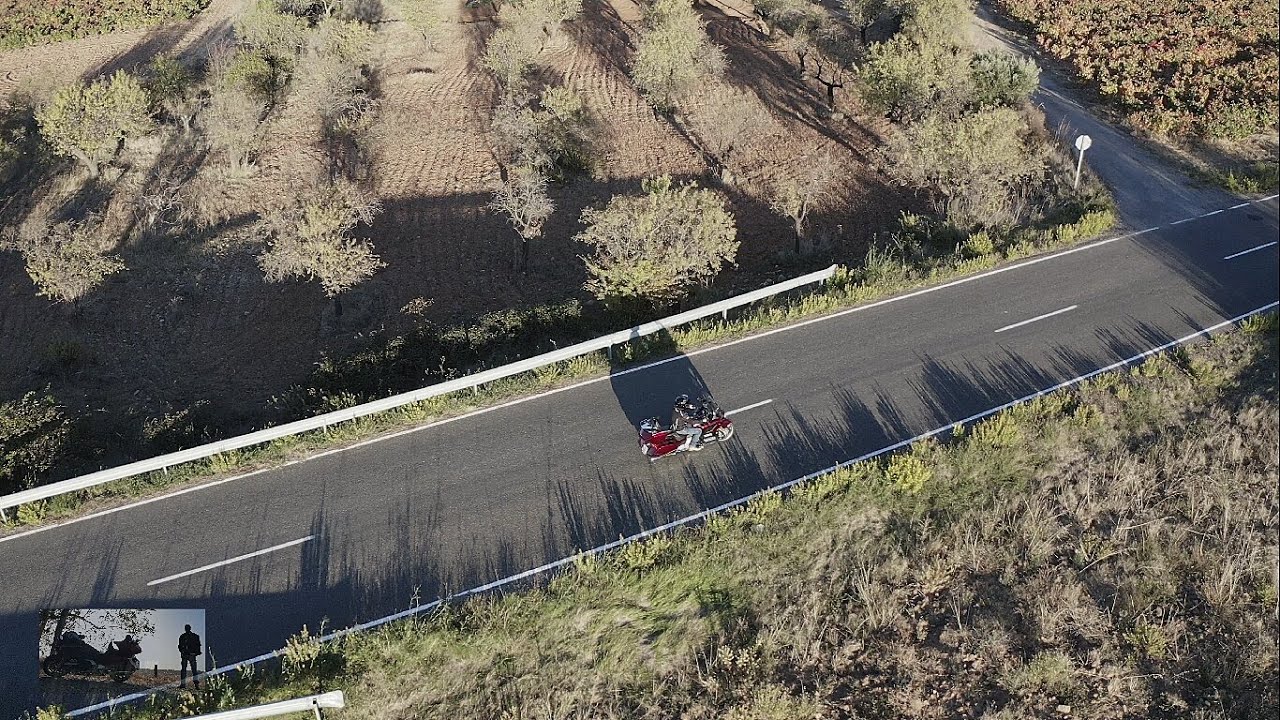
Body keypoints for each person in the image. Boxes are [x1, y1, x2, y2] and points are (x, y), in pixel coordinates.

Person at [178, 624, 202, 689]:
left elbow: (198, 645)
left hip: (191, 655)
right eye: (186, 628)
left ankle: (196, 685)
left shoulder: (194, 636)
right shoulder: (182, 636)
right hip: (185, 655)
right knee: (184, 670)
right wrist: (182, 652)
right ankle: (183, 685)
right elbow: (179, 646)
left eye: (187, 628)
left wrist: (195, 653)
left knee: (194, 670)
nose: (187, 629)